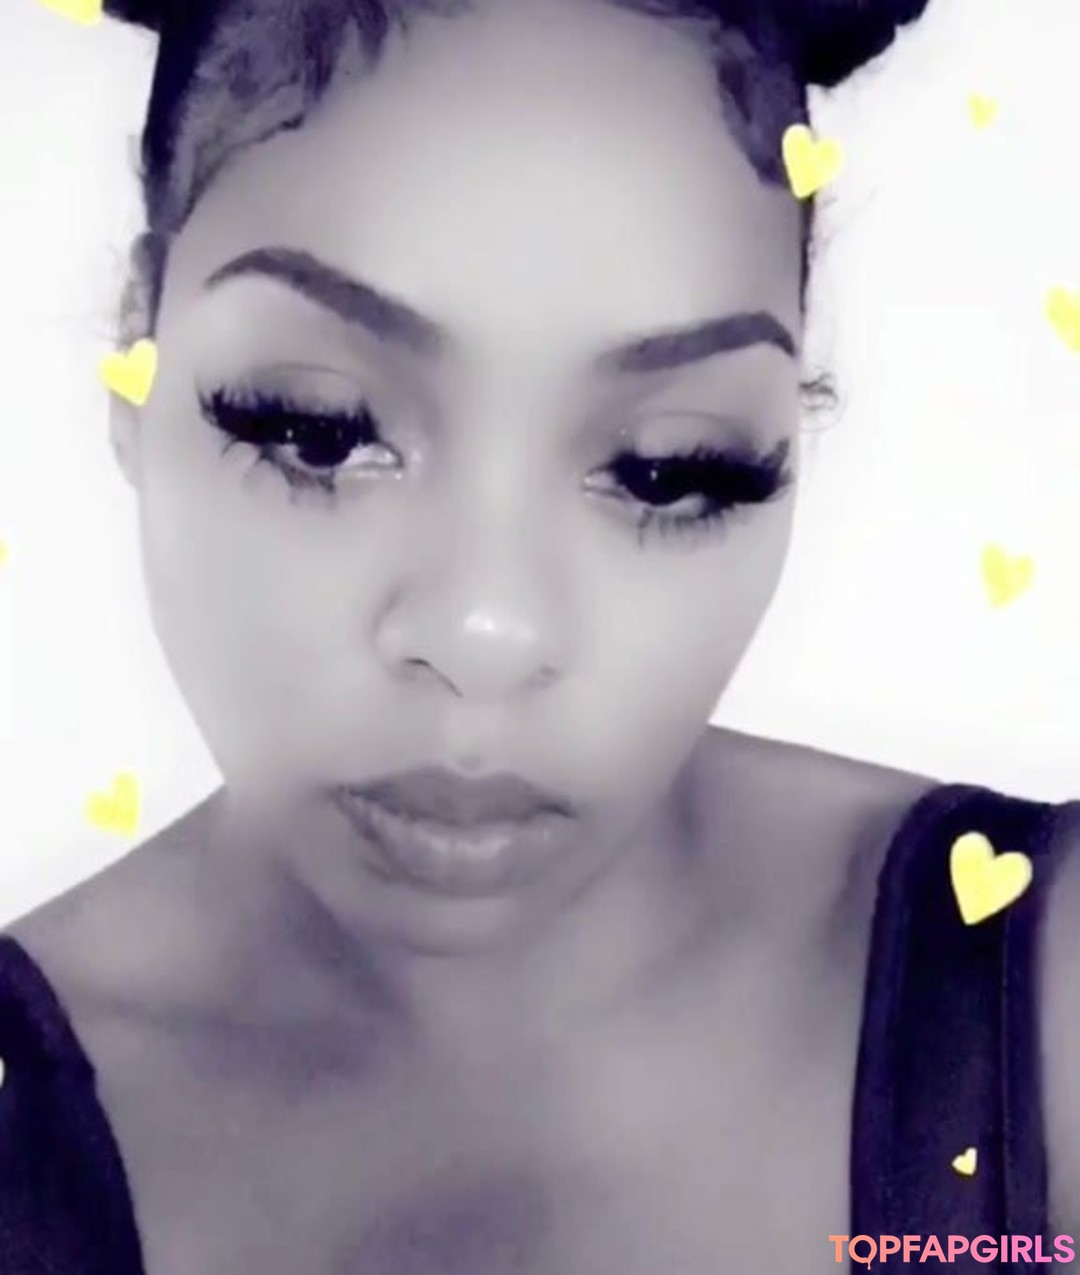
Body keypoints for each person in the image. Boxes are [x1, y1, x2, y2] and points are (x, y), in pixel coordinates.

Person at [0, 0, 1077, 1271]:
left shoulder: (1038, 994)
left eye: (671, 468)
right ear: (139, 355)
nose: (487, 631)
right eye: (316, 431)